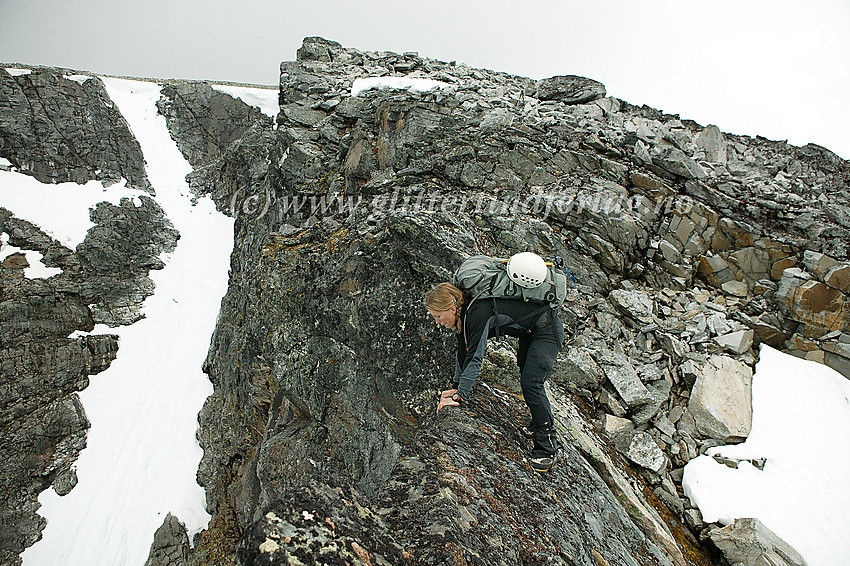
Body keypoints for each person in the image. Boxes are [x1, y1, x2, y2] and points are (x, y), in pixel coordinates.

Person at [425, 281, 565, 472]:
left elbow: (475, 359)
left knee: (532, 383)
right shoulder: (464, 317)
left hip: (546, 329)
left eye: (438, 316)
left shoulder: (477, 313)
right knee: (527, 375)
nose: (437, 322)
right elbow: (463, 352)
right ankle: (536, 425)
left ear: (452, 309)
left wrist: (459, 397)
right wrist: (457, 386)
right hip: (529, 331)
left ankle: (548, 447)